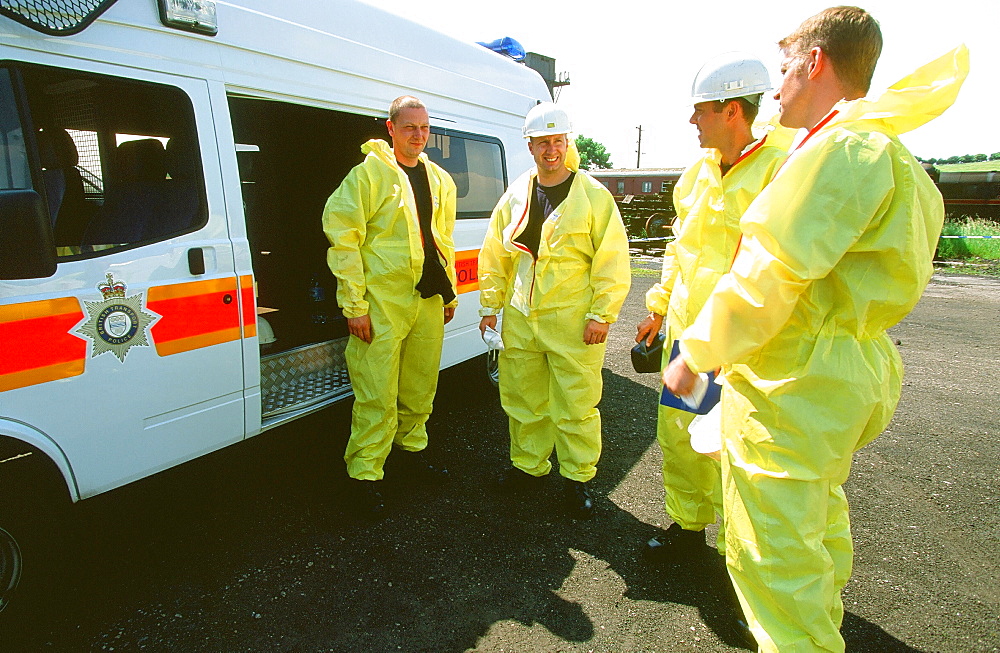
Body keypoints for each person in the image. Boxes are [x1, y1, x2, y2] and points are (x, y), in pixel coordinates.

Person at [663, 7, 968, 651]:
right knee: (816, 524)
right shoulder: (888, 149)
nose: (776, 89)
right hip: (840, 372)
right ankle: (823, 627)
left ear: (817, 62)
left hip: (793, 381)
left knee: (774, 560)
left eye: (783, 68)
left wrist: (696, 351)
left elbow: (770, 273)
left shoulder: (841, 149)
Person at [634, 52, 790, 559]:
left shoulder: (782, 171)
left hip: (744, 346)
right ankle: (687, 526)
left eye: (700, 109)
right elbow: (680, 250)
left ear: (732, 111)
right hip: (688, 338)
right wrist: (658, 309)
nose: (691, 120)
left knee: (737, 449)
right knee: (681, 435)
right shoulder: (696, 175)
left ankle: (738, 555)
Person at [478, 102, 631, 518]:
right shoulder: (515, 195)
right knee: (523, 398)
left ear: (568, 142)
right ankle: (529, 466)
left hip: (573, 320)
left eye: (558, 141)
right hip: (521, 317)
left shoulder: (594, 196)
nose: (551, 150)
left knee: (576, 404)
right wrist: (490, 306)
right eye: (543, 142)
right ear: (529, 146)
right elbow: (496, 255)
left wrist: (603, 314)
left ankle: (578, 478)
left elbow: (613, 259)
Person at [323, 95, 458, 513]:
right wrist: (355, 305)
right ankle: (364, 475)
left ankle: (412, 454)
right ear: (391, 128)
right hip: (382, 303)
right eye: (409, 127)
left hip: (428, 301)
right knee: (376, 391)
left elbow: (442, 240)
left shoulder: (439, 179)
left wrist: (448, 289)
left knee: (420, 387)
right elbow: (342, 236)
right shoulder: (369, 175)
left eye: (424, 128)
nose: (418, 135)